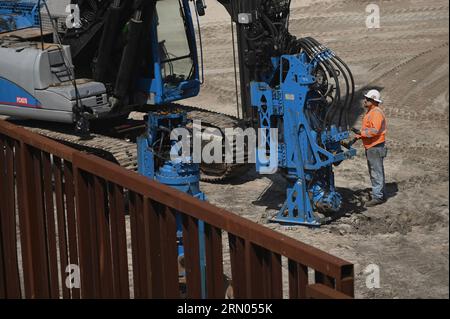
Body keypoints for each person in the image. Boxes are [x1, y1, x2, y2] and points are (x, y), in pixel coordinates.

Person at [352, 89, 388, 207]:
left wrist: (362, 133)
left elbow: (374, 131)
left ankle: (378, 197)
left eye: (367, 99)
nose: (365, 100)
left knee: (376, 172)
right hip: (372, 146)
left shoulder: (376, 112)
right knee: (375, 171)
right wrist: (359, 134)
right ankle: (380, 193)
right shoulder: (370, 112)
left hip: (375, 146)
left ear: (373, 101)